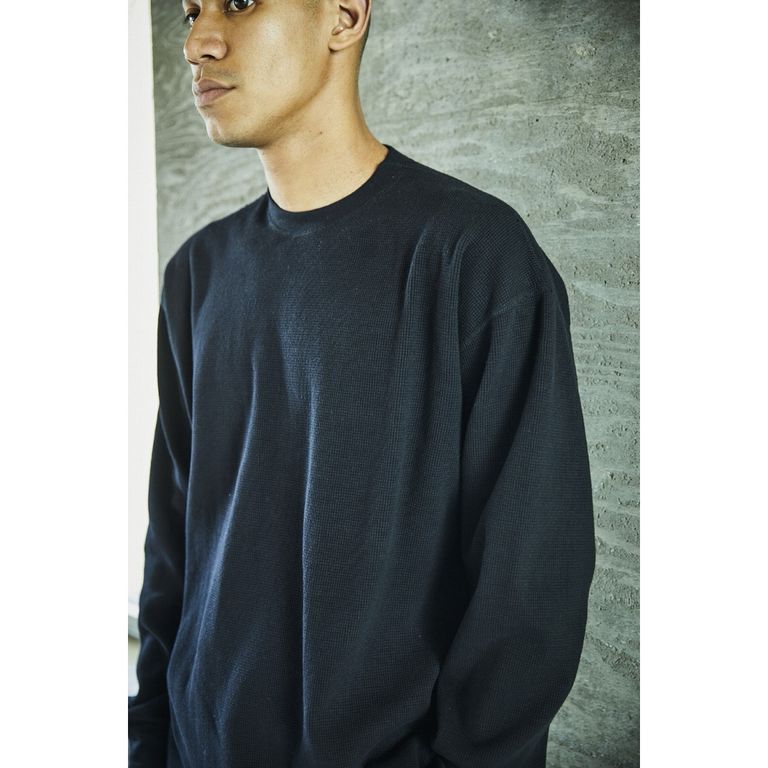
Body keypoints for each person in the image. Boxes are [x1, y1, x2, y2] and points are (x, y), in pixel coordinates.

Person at [128, 1, 597, 766]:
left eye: (240, 2)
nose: (198, 43)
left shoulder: (477, 262)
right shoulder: (197, 276)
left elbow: (528, 589)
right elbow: (173, 556)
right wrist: (148, 743)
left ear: (344, 16)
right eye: (190, 12)